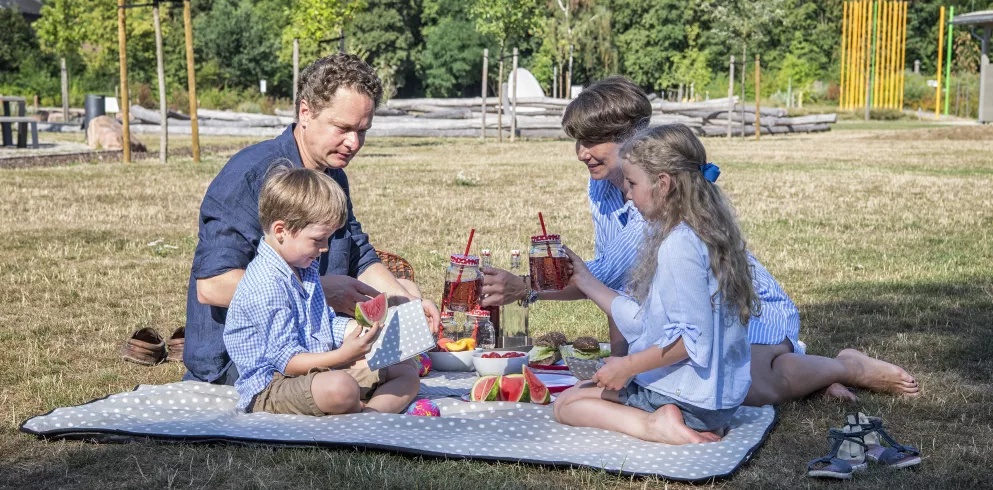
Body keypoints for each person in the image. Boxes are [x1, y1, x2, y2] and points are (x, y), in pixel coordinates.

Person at [482, 76, 919, 405]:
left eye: (594, 140)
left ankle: (846, 365)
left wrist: (527, 288)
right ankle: (814, 378)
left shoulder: (657, 202)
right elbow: (619, 286)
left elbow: (605, 276)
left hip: (746, 311)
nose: (582, 153)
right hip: (684, 319)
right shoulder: (603, 187)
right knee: (686, 377)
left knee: (741, 385)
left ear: (635, 134)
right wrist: (617, 362)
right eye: (577, 141)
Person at [185, 53, 439, 386]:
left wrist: (407, 305)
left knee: (404, 302)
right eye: (344, 128)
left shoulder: (332, 174)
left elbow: (359, 253)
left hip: (311, 339)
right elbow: (212, 286)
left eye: (363, 131)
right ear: (306, 113)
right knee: (375, 374)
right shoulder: (249, 177)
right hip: (243, 359)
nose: (354, 143)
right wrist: (318, 291)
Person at [553, 124, 753, 444]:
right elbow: (648, 324)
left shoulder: (679, 245)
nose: (628, 195)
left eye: (632, 183)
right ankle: (682, 421)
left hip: (689, 398)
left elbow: (692, 340)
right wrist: (586, 281)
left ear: (663, 183)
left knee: (566, 405)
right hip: (716, 401)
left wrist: (627, 366)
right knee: (579, 394)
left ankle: (656, 425)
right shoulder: (705, 234)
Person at [224, 166, 418, 415]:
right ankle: (358, 410)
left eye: (329, 238)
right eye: (318, 239)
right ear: (281, 231)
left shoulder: (305, 267)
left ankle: (369, 418)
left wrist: (361, 332)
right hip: (273, 386)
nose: (325, 248)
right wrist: (343, 355)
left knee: (405, 369)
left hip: (319, 370)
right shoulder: (265, 284)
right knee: (341, 387)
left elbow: (323, 325)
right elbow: (289, 362)